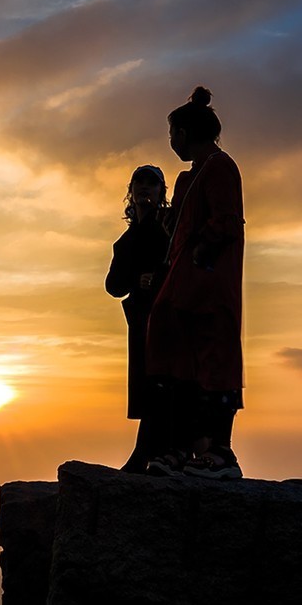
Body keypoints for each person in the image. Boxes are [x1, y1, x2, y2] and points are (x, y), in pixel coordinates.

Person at [145, 85, 246, 479]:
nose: (171, 142)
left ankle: (220, 454)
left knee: (214, 366)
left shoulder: (220, 167)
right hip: (184, 293)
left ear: (185, 134)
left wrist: (201, 254)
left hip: (208, 291)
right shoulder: (191, 178)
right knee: (179, 367)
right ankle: (180, 449)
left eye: (172, 135)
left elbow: (225, 221)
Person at [105, 165, 171, 473]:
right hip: (141, 318)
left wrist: (156, 278)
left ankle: (149, 454)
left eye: (152, 184)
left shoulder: (170, 229)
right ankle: (147, 453)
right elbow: (113, 286)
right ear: (131, 191)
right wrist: (137, 279)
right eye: (139, 183)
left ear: (161, 192)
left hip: (168, 317)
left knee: (161, 383)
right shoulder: (126, 240)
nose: (145, 188)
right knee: (150, 383)